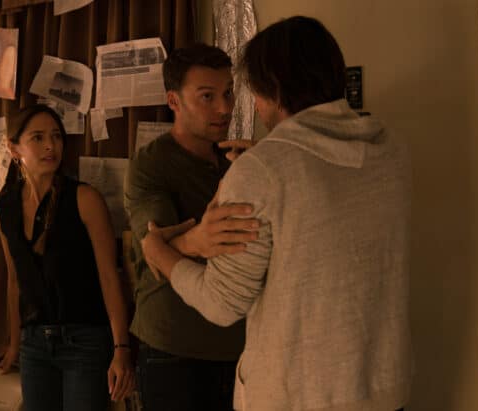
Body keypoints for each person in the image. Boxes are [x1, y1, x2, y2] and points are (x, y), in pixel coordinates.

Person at [141, 16, 412, 411]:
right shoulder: (389, 152)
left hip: (298, 396)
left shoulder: (262, 170)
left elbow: (221, 303)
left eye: (245, 91)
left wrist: (159, 252)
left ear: (273, 89)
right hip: (383, 387)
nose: (241, 106)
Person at [123, 43, 258, 411]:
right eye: (207, 96)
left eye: (228, 93)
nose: (225, 108)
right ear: (174, 101)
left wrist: (260, 174)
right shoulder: (151, 164)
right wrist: (191, 242)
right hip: (175, 349)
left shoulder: (240, 161)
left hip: (240, 346)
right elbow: (155, 247)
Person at [0, 105, 134, 410]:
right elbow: (15, 280)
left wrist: (121, 348)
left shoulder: (85, 198)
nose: (50, 146)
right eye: (38, 137)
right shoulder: (3, 207)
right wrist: (14, 343)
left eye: (56, 136)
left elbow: (110, 278)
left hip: (85, 340)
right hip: (34, 343)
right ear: (14, 148)